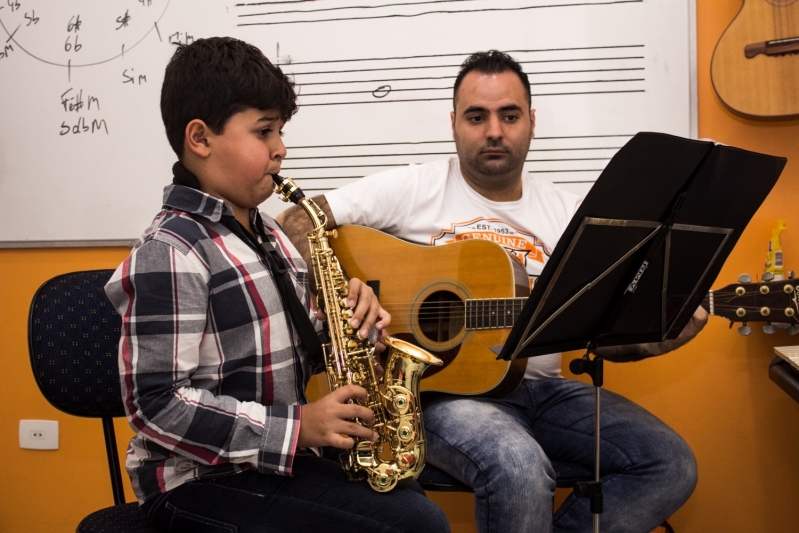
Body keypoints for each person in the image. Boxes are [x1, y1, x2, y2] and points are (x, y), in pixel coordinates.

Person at [277, 50, 706, 533]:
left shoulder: (571, 214)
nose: (494, 131)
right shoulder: (416, 186)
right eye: (477, 117)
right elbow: (295, 221)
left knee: (670, 463)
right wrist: (346, 290)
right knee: (518, 467)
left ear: (531, 121)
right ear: (455, 123)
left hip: (545, 393)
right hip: (433, 395)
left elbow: (606, 333)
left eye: (509, 115)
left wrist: (661, 332)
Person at [104, 37, 450, 533]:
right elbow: (155, 405)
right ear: (200, 139)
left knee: (409, 496)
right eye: (264, 131)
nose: (280, 149)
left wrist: (355, 328)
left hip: (266, 463)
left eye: (280, 131)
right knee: (416, 525)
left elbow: (311, 347)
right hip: (197, 481)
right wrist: (299, 427)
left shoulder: (269, 235)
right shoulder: (171, 250)